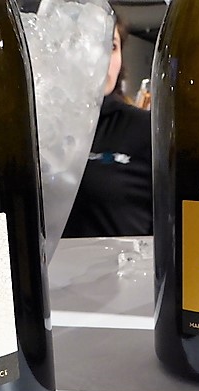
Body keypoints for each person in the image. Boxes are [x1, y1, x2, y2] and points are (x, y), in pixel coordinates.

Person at [62, 15, 153, 237]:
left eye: (111, 46)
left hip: (124, 259)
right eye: (86, 42)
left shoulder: (146, 129)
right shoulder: (34, 133)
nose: (100, 57)